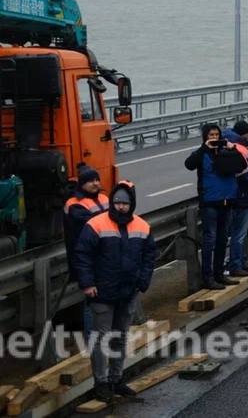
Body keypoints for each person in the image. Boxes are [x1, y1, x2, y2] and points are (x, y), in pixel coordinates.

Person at [73, 181, 156, 403]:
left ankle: (116, 380)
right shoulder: (96, 224)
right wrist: (87, 284)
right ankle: (100, 384)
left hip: (128, 292)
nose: (120, 207)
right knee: (100, 339)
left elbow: (149, 257)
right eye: (117, 202)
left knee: (120, 337)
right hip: (102, 292)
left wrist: (143, 282)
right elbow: (82, 256)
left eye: (125, 204)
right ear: (112, 202)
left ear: (132, 205)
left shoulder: (142, 226)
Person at [184, 123, 247, 289]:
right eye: (210, 135)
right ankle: (208, 277)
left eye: (216, 135)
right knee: (209, 240)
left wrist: (232, 148)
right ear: (205, 137)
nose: (214, 138)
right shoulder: (202, 154)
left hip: (227, 201)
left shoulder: (227, 151)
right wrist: (203, 148)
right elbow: (189, 164)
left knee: (222, 239)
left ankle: (219, 274)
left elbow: (242, 164)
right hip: (210, 202)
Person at [64, 164, 109, 333]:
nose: (95, 183)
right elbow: (86, 224)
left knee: (104, 301)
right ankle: (93, 342)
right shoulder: (74, 204)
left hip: (105, 257)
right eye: (90, 181)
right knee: (92, 302)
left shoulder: (104, 198)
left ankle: (103, 338)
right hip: (88, 260)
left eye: (97, 179)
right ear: (82, 184)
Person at [222, 120, 248, 277]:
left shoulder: (227, 148)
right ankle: (237, 264)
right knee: (239, 234)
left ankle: (240, 261)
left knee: (235, 233)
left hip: (232, 197)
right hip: (243, 197)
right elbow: (246, 175)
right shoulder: (240, 150)